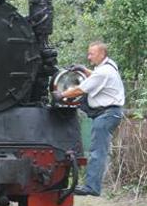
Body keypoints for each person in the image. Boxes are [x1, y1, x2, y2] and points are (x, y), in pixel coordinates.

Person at [53, 41, 125, 196]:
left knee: (97, 152)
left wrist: (61, 94)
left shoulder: (104, 71)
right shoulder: (109, 66)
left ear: (102, 54)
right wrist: (84, 70)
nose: (89, 57)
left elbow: (80, 89)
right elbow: (96, 77)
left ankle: (92, 187)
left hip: (106, 115)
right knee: (98, 150)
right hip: (110, 113)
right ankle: (92, 185)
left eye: (92, 54)